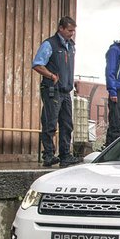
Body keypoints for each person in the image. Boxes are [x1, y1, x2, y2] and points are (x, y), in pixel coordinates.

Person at [32, 16, 79, 167]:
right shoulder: (49, 44)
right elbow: (37, 64)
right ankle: (48, 155)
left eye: (73, 31)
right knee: (50, 122)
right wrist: (51, 76)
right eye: (69, 30)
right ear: (61, 28)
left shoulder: (71, 46)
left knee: (67, 124)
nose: (72, 33)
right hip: (52, 89)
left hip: (66, 91)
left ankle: (65, 155)